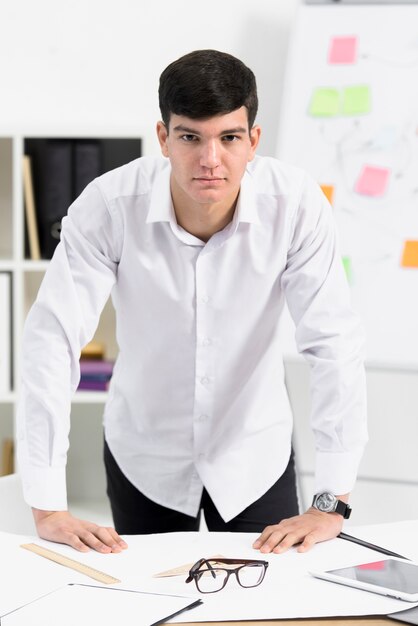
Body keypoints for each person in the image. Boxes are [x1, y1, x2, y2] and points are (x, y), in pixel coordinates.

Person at [17, 49, 367, 556]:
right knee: (148, 601)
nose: (210, 159)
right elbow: (51, 340)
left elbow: (333, 343)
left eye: (229, 138)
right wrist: (46, 503)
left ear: (253, 141)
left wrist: (331, 500)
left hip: (255, 454)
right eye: (189, 137)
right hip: (144, 457)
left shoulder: (296, 207)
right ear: (163, 138)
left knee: (268, 603)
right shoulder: (109, 207)